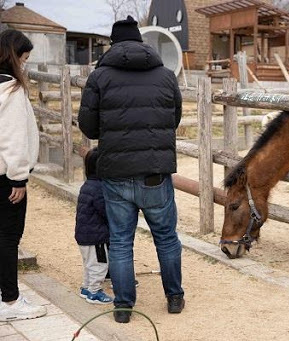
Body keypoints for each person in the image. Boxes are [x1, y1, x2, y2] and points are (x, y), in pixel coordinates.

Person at [78, 16, 184, 323]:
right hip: (155, 172)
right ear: (141, 41)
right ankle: (174, 297)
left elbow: (88, 126)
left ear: (112, 45)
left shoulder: (100, 77)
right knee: (166, 237)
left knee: (122, 241)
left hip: (116, 172)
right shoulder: (165, 75)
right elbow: (173, 119)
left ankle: (123, 307)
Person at [0, 29, 46, 322]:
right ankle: (12, 301)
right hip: (7, 177)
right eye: (25, 58)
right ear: (14, 57)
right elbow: (13, 137)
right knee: (8, 237)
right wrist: (19, 178)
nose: (25, 64)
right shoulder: (11, 90)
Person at [75, 147, 113, 305]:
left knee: (89, 264)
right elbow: (104, 210)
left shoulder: (88, 185)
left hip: (84, 235)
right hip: (96, 236)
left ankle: (86, 287)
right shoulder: (99, 189)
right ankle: (94, 291)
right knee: (99, 265)